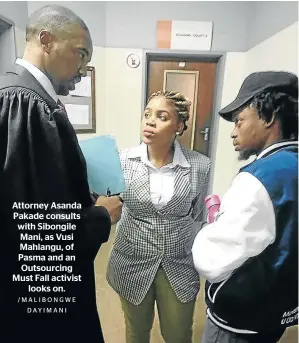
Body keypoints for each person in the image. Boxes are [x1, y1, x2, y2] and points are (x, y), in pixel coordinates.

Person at [0, 5, 122, 343]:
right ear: (46, 40)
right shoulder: (25, 104)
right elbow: (34, 228)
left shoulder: (33, 99)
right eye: (80, 53)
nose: (84, 68)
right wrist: (100, 217)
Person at [192, 71, 298, 343]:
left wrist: (211, 228)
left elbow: (212, 260)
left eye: (239, 120)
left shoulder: (259, 179)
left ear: (269, 116)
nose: (233, 132)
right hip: (282, 307)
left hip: (241, 319)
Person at [106, 90, 211, 343]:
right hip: (131, 260)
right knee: (137, 332)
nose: (150, 121)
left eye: (161, 117)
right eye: (147, 115)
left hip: (177, 262)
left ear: (179, 126)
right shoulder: (122, 161)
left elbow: (195, 214)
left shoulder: (200, 165)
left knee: (178, 334)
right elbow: (113, 207)